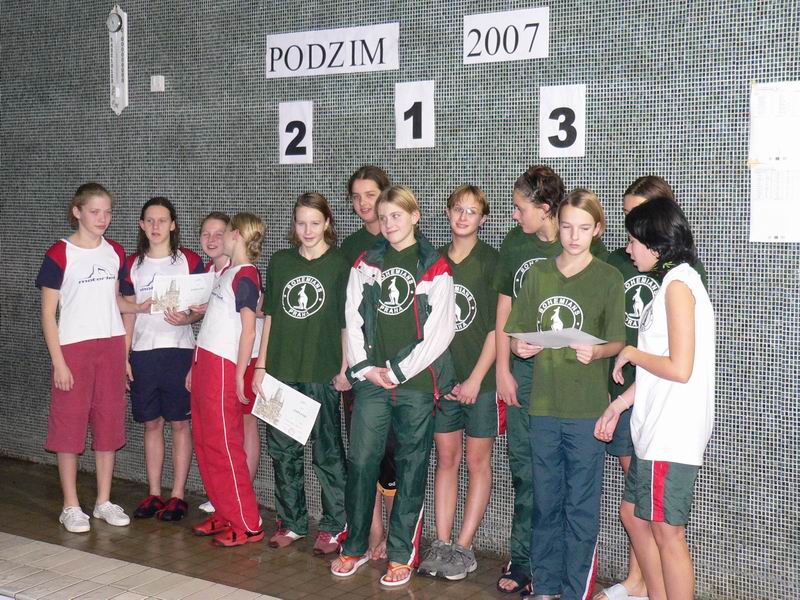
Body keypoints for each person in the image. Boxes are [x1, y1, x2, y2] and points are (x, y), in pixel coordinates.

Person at [331, 185, 456, 587]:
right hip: (372, 382)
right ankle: (354, 545)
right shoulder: (366, 262)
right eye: (383, 217)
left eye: (396, 216)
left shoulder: (434, 264)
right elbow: (352, 317)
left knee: (411, 466)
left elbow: (441, 331)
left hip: (415, 384)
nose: (388, 223)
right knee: (361, 462)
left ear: (415, 216)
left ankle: (401, 553)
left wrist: (399, 371)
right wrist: (366, 368)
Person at [505, 189, 625, 600]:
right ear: (557, 226)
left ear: (597, 230)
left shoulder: (608, 277)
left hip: (586, 408)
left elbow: (618, 340)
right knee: (546, 500)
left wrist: (599, 351)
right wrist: (520, 346)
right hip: (543, 406)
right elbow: (517, 332)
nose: (574, 236)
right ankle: (545, 586)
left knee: (581, 505)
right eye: (568, 227)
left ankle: (576, 590)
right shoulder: (539, 274)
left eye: (584, 228)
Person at [595, 198, 714, 600]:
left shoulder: (679, 286)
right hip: (655, 427)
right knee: (633, 514)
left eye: (633, 241)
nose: (628, 249)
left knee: (667, 532)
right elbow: (660, 365)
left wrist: (631, 353)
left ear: (656, 244)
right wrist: (619, 404)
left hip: (672, 431)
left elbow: (680, 367)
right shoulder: (670, 284)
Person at [36, 182, 151, 533]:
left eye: (107, 212)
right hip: (74, 348)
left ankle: (103, 501)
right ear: (78, 212)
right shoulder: (60, 253)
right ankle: (70, 506)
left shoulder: (114, 251)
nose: (102, 218)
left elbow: (114, 300)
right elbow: (48, 314)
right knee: (69, 427)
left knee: (108, 423)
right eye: (95, 212)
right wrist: (59, 362)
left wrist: (139, 307)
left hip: (111, 346)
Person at [251, 192, 350, 554]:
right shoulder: (281, 262)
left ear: (327, 223)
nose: (308, 230)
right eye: (301, 223)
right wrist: (261, 366)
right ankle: (291, 522)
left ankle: (334, 526)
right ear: (294, 225)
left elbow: (346, 322)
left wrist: (344, 368)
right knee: (283, 453)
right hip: (282, 371)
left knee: (327, 453)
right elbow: (271, 317)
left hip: (321, 371)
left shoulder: (340, 264)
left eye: (315, 223)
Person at [417, 185, 502, 581]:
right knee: (446, 460)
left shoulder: (491, 261)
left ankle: (464, 548)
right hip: (444, 383)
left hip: (480, 383)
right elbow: (426, 325)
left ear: (483, 219)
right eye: (457, 209)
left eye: (471, 211)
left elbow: (498, 328)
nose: (463, 217)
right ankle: (442, 542)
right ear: (448, 213)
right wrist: (445, 378)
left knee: (477, 462)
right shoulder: (433, 261)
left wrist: (475, 379)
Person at [121, 197, 204, 522]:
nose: (156, 226)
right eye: (150, 220)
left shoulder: (189, 261)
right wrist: (124, 357)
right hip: (144, 354)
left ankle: (178, 495)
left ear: (173, 225)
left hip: (179, 353)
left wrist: (188, 319)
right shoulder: (132, 264)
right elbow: (128, 313)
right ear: (142, 225)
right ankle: (154, 493)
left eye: (162, 220)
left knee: (181, 423)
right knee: (152, 423)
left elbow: (202, 309)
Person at [188, 213, 265, 547]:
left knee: (225, 445)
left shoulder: (246, 275)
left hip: (223, 366)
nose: (219, 239)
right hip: (205, 362)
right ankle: (224, 511)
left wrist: (238, 374)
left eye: (226, 233)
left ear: (237, 235)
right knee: (206, 442)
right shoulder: (228, 272)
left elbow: (249, 331)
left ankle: (248, 523)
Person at [340, 165, 398, 560]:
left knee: (394, 455)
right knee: (363, 455)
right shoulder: (351, 248)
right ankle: (374, 532)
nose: (363, 203)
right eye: (357, 197)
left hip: (397, 370)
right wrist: (346, 366)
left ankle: (396, 535)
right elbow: (345, 316)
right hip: (360, 369)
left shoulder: (404, 242)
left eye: (371, 195)